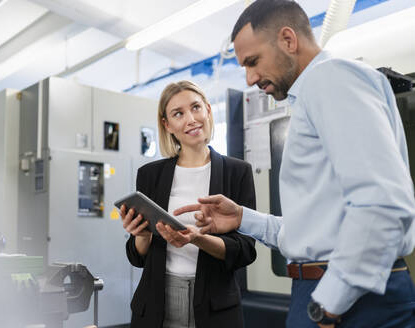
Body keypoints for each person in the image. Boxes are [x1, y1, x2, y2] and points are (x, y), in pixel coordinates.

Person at [169, 1, 415, 328]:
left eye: (253, 62)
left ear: (288, 40)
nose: (250, 77)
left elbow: (383, 204)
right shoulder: (311, 97)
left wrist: (329, 303)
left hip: (350, 299)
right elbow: (311, 233)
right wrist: (243, 218)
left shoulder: (331, 79)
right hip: (328, 289)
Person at [120, 80, 257, 328]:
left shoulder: (237, 172)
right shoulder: (150, 175)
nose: (191, 119)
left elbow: (245, 251)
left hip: (216, 305)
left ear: (208, 110)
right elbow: (138, 257)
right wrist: (141, 234)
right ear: (167, 125)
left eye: (196, 108)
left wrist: (198, 238)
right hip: (157, 302)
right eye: (178, 114)